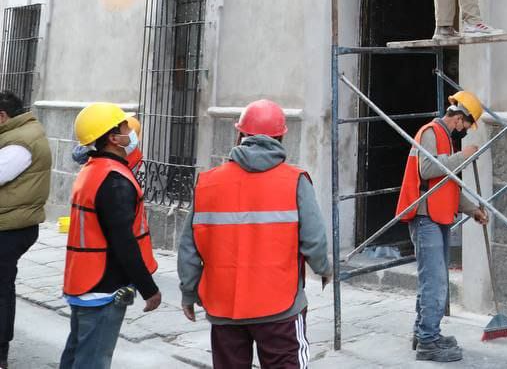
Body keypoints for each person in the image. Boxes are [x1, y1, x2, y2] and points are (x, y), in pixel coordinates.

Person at [177, 99, 330, 369]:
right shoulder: (295, 180)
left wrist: (189, 293)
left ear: (240, 135)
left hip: (225, 308)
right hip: (279, 306)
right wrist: (325, 269)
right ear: (281, 136)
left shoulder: (208, 183)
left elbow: (189, 248)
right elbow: (314, 239)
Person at [61, 103, 161, 369]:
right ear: (114, 138)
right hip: (103, 286)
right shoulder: (115, 180)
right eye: (125, 126)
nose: (131, 129)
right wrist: (148, 288)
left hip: (84, 280)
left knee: (76, 356)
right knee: (92, 361)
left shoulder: (93, 170)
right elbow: (124, 242)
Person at [395, 91, 489, 363]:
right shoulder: (430, 132)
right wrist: (465, 156)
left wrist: (473, 210)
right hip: (425, 217)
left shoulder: (445, 138)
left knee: (434, 280)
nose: (464, 130)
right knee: (434, 281)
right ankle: (428, 341)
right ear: (460, 118)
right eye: (465, 125)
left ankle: (423, 332)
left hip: (439, 215)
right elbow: (427, 170)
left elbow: (447, 184)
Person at [0, 91, 50, 369]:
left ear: (2, 116)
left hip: (10, 227)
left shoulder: (21, 141)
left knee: (1, 290)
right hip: (11, 223)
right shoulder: (19, 133)